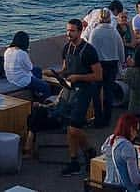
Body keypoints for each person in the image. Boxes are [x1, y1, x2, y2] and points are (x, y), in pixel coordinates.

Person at [56, 18, 102, 177]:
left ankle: (89, 150)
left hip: (83, 92)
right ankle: (75, 159)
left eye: (72, 31)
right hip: (69, 90)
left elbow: (98, 75)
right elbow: (65, 69)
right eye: (67, 30)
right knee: (70, 127)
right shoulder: (66, 48)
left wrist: (78, 77)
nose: (68, 34)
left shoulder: (89, 51)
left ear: (80, 31)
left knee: (74, 127)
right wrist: (57, 74)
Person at [101, 114, 140, 192]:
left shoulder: (111, 138)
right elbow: (136, 179)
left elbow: (103, 150)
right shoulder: (127, 147)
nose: (137, 134)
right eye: (137, 130)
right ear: (131, 129)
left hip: (108, 188)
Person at [88, 8, 126, 127]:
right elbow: (121, 50)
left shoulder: (95, 32)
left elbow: (91, 50)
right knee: (108, 92)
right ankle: (107, 118)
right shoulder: (114, 32)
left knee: (96, 92)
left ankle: (98, 118)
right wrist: (122, 62)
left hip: (99, 65)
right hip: (112, 64)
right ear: (110, 18)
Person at [3, 31, 51, 99]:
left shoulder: (7, 50)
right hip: (21, 81)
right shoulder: (22, 53)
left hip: (11, 78)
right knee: (46, 86)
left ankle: (35, 90)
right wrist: (27, 53)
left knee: (37, 70)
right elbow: (29, 68)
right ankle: (43, 103)